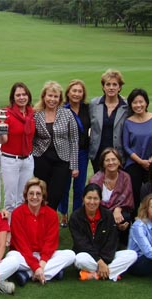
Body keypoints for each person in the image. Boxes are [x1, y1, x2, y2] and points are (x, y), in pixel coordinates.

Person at [6, 177, 76, 286]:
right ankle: (52, 272)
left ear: (43, 196)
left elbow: (50, 243)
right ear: (26, 195)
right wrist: (36, 266)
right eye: (31, 194)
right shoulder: (17, 214)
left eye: (38, 194)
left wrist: (41, 265)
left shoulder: (52, 214)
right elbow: (21, 245)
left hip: (44, 256)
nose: (34, 197)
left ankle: (28, 275)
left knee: (70, 255)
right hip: (23, 255)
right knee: (11, 257)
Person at [69, 184, 137, 281]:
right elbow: (82, 244)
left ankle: (95, 275)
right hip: (88, 255)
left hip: (106, 256)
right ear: (83, 198)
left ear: (100, 200)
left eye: (95, 198)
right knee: (79, 258)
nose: (92, 202)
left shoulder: (108, 215)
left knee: (132, 254)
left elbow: (112, 241)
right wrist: (99, 262)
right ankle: (111, 273)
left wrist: (104, 261)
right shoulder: (75, 217)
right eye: (89, 198)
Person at [32, 81, 78, 212]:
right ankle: (40, 221)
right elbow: (31, 137)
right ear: (44, 96)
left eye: (55, 96)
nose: (52, 99)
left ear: (60, 98)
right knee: (41, 192)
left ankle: (49, 218)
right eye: (50, 96)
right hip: (41, 158)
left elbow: (74, 140)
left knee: (56, 193)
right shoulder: (36, 114)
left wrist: (74, 166)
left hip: (61, 160)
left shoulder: (67, 114)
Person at [122, 88, 152, 211]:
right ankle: (135, 222)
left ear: (146, 102)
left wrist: (151, 160)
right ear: (131, 104)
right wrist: (141, 161)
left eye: (141, 102)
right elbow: (126, 146)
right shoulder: (128, 123)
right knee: (134, 194)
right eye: (135, 102)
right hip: (134, 163)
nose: (138, 105)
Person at [59, 79, 91, 227]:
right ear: (68, 93)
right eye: (74, 91)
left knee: (79, 186)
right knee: (64, 185)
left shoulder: (87, 109)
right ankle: (64, 213)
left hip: (82, 152)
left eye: (79, 91)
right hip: (65, 153)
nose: (77, 94)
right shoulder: (62, 109)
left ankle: (76, 215)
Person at [0, 82, 35, 214]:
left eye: (24, 94)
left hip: (28, 159)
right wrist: (1, 134)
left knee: (23, 196)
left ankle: (19, 227)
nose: (21, 97)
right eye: (18, 95)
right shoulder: (6, 114)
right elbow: (3, 140)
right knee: (10, 199)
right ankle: (8, 228)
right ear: (13, 97)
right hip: (10, 160)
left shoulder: (31, 114)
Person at [88, 147, 133, 240]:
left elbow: (127, 200)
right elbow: (91, 203)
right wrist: (109, 214)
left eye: (113, 159)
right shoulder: (94, 180)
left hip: (117, 214)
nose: (111, 162)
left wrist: (118, 208)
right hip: (100, 212)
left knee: (125, 216)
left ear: (119, 162)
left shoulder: (125, 177)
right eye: (107, 160)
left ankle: (120, 240)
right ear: (103, 164)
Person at [89, 69, 129, 173]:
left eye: (115, 84)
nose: (111, 87)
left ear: (119, 87)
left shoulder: (126, 106)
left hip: (118, 154)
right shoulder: (94, 104)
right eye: (108, 84)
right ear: (103, 87)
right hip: (98, 154)